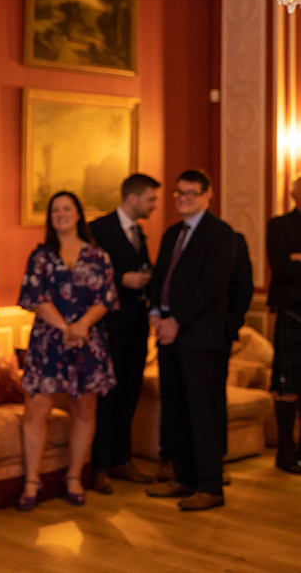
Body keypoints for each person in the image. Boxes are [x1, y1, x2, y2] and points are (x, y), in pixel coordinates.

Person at [17, 191, 117, 510]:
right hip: (48, 343)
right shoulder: (41, 256)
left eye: (66, 208)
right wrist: (66, 328)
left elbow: (106, 298)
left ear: (77, 214)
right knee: (36, 409)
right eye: (55, 209)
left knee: (85, 410)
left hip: (89, 343)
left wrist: (83, 326)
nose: (60, 214)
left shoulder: (97, 256)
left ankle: (74, 476)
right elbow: (35, 297)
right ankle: (32, 481)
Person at [146, 170, 236, 511]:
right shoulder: (171, 234)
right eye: (178, 192)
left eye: (191, 192)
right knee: (176, 411)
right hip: (167, 334)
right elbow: (160, 279)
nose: (184, 198)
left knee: (203, 413)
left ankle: (210, 485)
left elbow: (211, 287)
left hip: (200, 338)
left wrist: (177, 321)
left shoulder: (220, 234)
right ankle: (183, 478)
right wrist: (155, 312)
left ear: (207, 195)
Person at [89, 174, 159, 494]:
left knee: (130, 392)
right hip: (108, 327)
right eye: (151, 199)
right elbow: (89, 274)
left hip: (136, 325)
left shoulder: (139, 233)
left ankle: (121, 458)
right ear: (133, 198)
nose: (155, 205)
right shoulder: (99, 229)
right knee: (108, 396)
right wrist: (122, 279)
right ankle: (99, 465)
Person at [266, 175, 301, 474]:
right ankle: (285, 453)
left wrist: (298, 258)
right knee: (288, 386)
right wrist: (292, 261)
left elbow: (294, 264)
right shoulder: (279, 225)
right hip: (293, 312)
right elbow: (282, 268)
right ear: (294, 193)